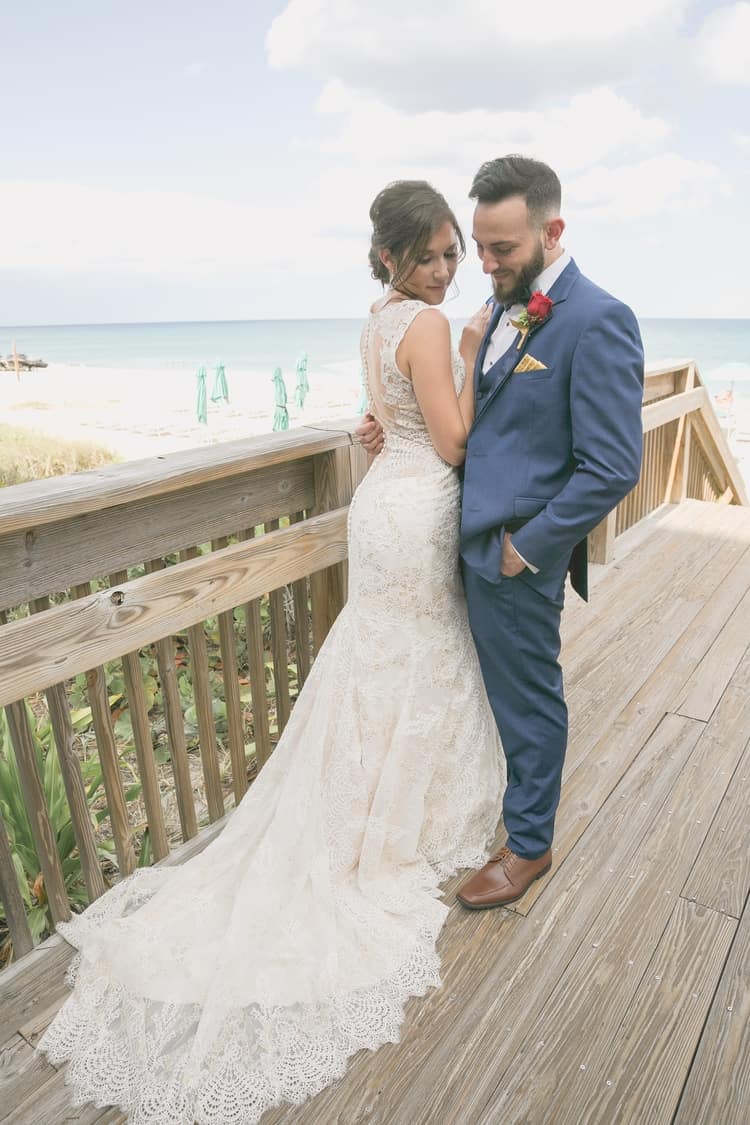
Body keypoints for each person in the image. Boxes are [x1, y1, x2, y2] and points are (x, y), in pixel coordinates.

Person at [38, 181, 504, 1124]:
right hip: (417, 511)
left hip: (379, 509)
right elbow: (452, 443)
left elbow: (388, 423)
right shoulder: (425, 328)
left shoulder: (375, 322)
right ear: (390, 261)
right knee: (414, 654)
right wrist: (468, 351)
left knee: (384, 656)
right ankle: (390, 821)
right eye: (431, 257)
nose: (448, 269)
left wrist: (396, 422)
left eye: (454, 252)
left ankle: (363, 801)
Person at [359, 155, 644, 909]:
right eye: (476, 248)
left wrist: (529, 547)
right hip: (457, 534)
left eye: (501, 249)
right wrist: (396, 426)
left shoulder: (597, 318)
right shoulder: (504, 304)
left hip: (515, 550)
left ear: (552, 231)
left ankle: (528, 845)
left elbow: (613, 465)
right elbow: (477, 407)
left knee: (528, 697)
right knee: (485, 691)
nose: (482, 265)